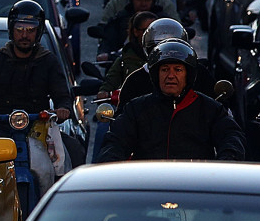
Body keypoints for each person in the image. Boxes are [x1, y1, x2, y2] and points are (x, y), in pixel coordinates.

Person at [98, 39, 246, 162]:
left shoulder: (210, 109)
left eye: (178, 70)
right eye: (165, 69)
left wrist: (225, 161)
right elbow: (115, 142)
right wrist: (112, 164)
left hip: (196, 182)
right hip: (148, 182)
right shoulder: (136, 108)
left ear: (188, 75)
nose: (170, 75)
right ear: (156, 74)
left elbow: (231, 137)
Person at [0, 0, 71, 123]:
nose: (24, 35)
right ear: (11, 29)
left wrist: (63, 109)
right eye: (19, 29)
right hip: (1, 127)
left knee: (65, 137)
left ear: (38, 32)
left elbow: (62, 94)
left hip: (40, 127)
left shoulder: (48, 61)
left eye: (30, 29)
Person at [100, 11, 157, 98]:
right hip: (132, 105)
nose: (152, 35)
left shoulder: (168, 56)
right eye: (147, 31)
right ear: (136, 32)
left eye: (155, 31)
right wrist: (104, 92)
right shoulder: (124, 60)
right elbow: (110, 83)